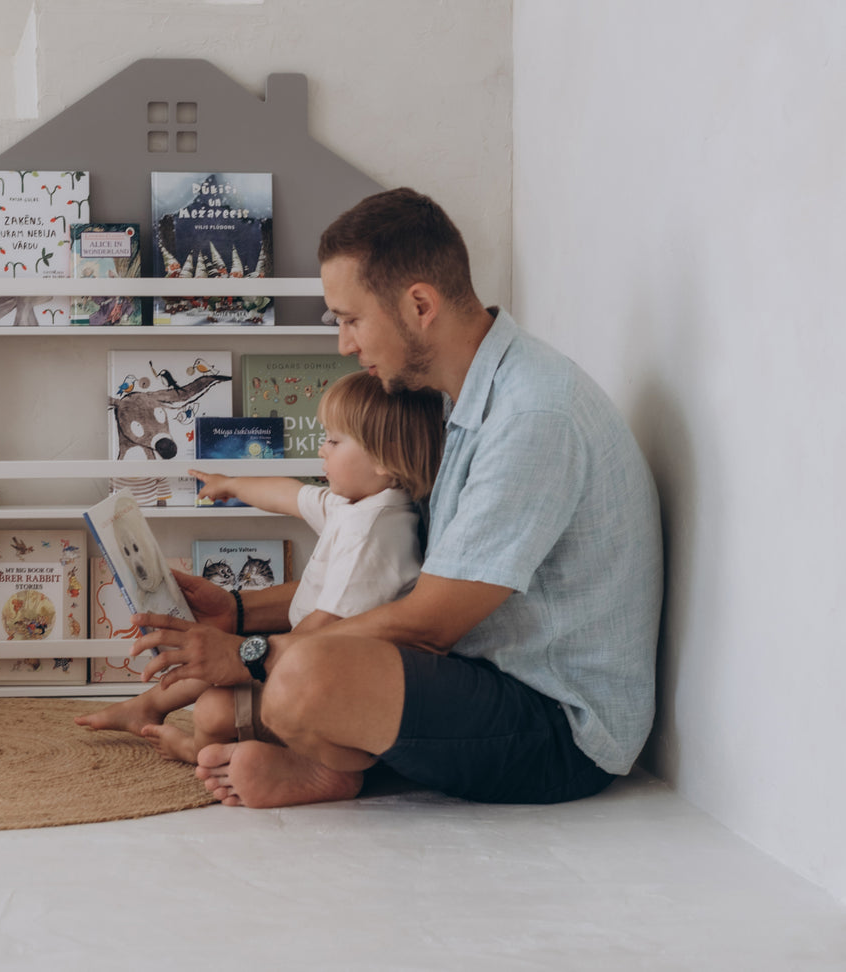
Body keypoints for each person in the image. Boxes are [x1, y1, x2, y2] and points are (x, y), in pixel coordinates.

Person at [128, 187, 664, 808]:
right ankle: (330, 754)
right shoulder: (454, 400)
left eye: (351, 319)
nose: (344, 344)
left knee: (298, 680)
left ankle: (343, 770)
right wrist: (243, 613)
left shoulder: (531, 416)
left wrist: (248, 654)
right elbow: (402, 579)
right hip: (482, 675)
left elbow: (429, 622)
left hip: (559, 728)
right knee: (248, 695)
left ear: (418, 305)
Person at [75, 371, 444, 765]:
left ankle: (202, 749)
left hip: (332, 674)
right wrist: (231, 485)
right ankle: (148, 705)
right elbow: (289, 494)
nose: (322, 450)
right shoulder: (356, 505)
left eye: (335, 441)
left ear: (385, 460)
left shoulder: (373, 533)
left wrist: (259, 665)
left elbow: (324, 628)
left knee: (214, 709)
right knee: (215, 658)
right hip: (308, 652)